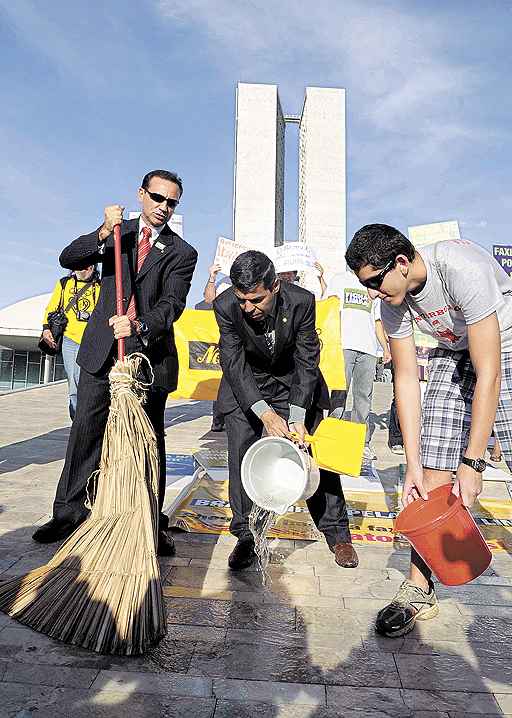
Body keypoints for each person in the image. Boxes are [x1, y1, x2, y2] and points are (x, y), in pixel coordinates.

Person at [345, 223, 512, 637]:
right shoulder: (392, 302)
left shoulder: (460, 267)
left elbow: (488, 371)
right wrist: (414, 464)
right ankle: (420, 590)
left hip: (504, 345)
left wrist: (473, 462)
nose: (372, 293)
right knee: (431, 481)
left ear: (400, 263)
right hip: (452, 352)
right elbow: (404, 378)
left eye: (373, 282)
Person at [33, 169, 198, 557]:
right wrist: (104, 231)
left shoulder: (182, 253)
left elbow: (171, 304)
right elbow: (69, 257)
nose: (164, 208)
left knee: (148, 441)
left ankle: (150, 522)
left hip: (147, 357)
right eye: (158, 198)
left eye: (172, 202)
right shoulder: (117, 234)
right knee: (86, 433)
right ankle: (69, 512)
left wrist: (138, 325)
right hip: (100, 352)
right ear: (141, 194)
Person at [213, 250, 358, 570]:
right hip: (247, 385)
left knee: (315, 455)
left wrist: (296, 417)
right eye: (242, 300)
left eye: (256, 299)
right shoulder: (225, 306)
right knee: (241, 455)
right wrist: (265, 413)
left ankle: (337, 532)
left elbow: (308, 358)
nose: (248, 308)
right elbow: (234, 364)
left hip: (294, 381)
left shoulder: (302, 301)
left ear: (275, 286)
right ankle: (246, 536)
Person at [326, 270, 390, 462]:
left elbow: (377, 321)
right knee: (338, 395)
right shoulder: (339, 279)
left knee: (363, 400)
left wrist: (385, 348)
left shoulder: (373, 284)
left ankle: (362, 444)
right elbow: (329, 310)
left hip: (368, 349)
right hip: (343, 346)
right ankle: (332, 441)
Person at [42, 265, 100, 420]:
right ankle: (77, 419)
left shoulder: (99, 286)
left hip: (91, 340)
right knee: (73, 382)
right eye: (85, 265)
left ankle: (86, 418)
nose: (90, 268)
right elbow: (51, 308)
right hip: (70, 340)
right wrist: (46, 328)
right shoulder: (64, 284)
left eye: (92, 265)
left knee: (87, 382)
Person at [202, 263, 232, 432]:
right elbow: (208, 300)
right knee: (224, 377)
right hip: (226, 335)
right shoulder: (224, 283)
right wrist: (213, 277)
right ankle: (218, 419)